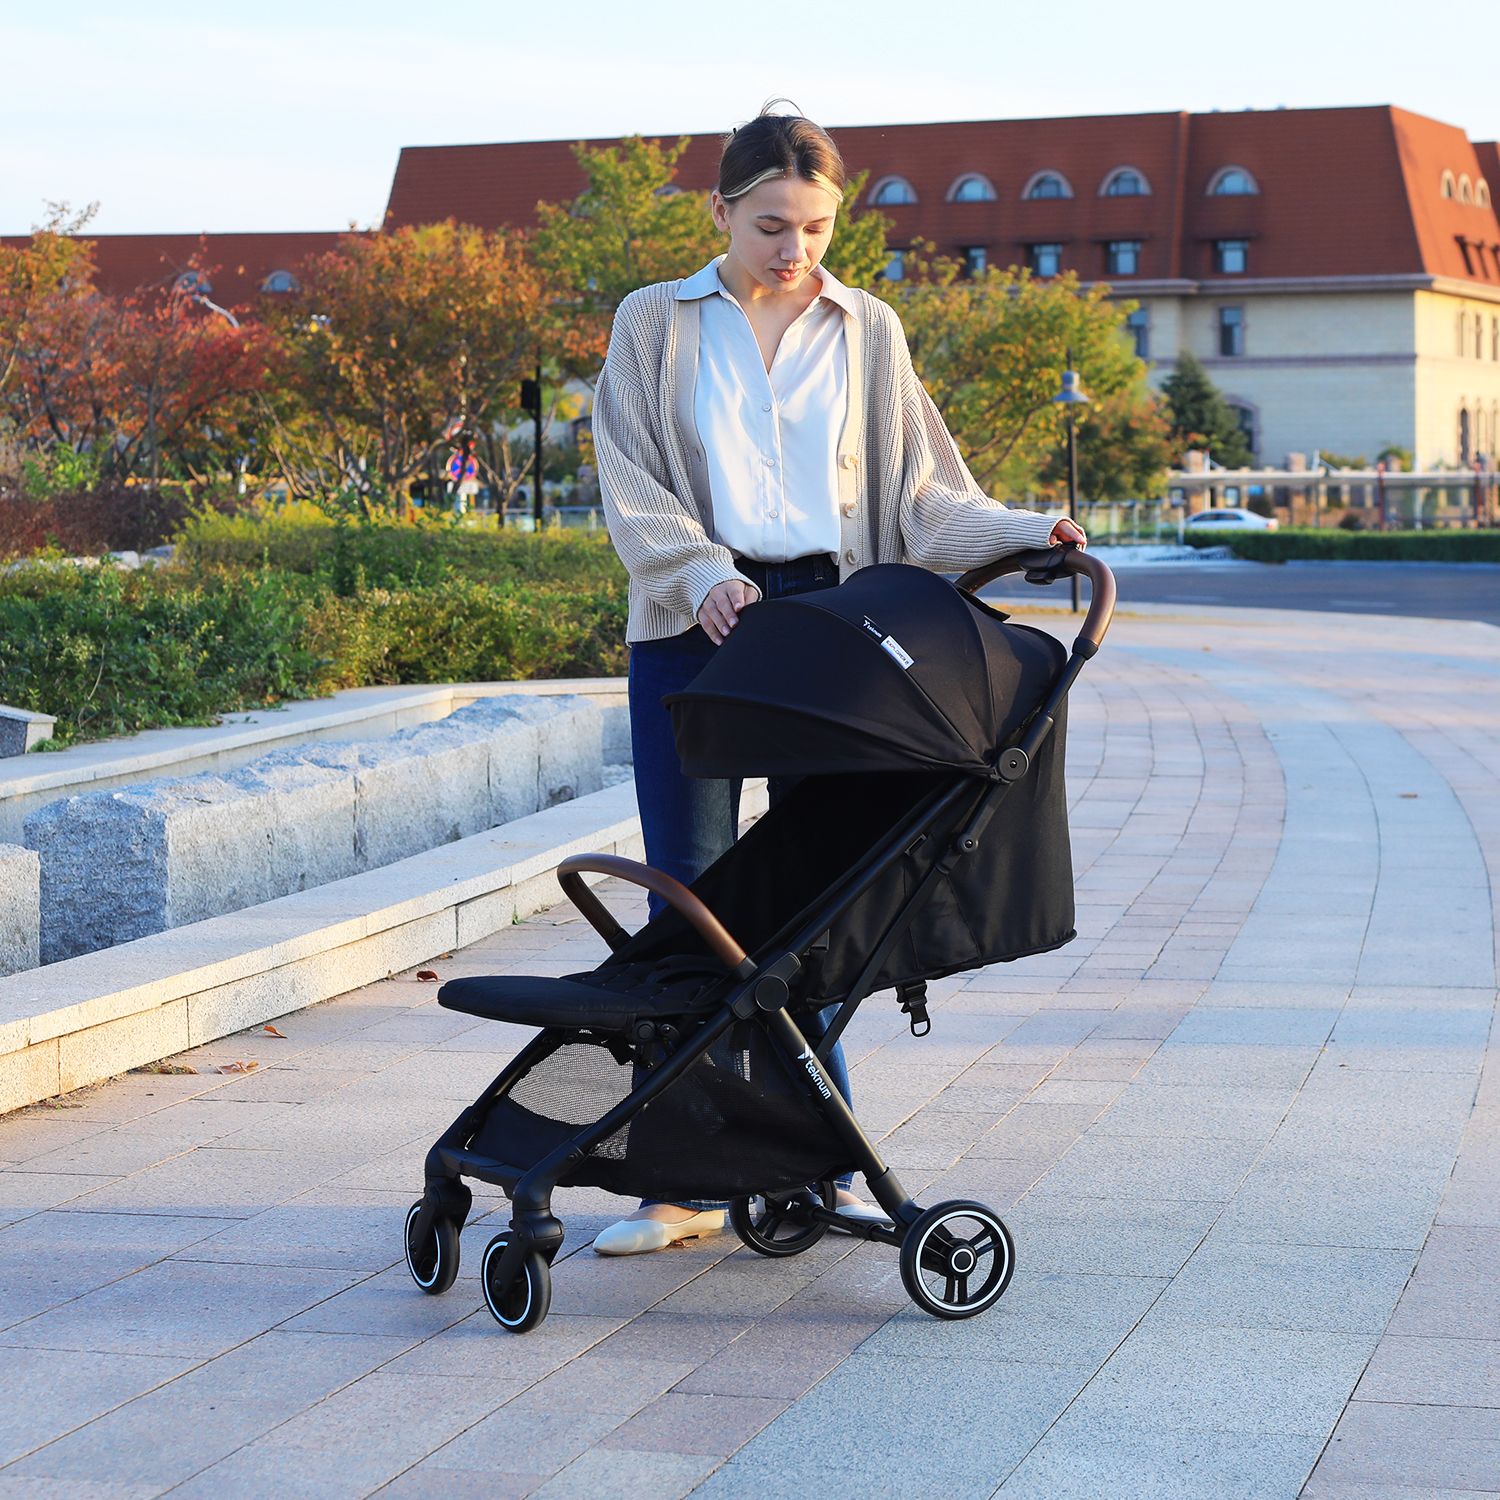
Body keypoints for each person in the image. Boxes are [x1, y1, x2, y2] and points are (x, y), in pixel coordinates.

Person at [590, 102, 1086, 1255]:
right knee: (692, 902)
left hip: (831, 630)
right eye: (771, 225)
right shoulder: (655, 321)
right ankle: (681, 1182)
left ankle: (822, 1162)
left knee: (817, 907)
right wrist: (700, 575)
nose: (795, 249)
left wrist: (1028, 530)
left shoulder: (868, 329)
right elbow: (632, 480)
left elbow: (922, 493)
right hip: (694, 624)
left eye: (815, 228)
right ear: (720, 212)